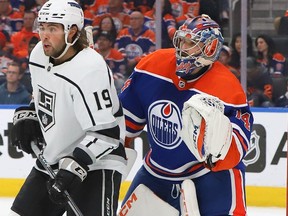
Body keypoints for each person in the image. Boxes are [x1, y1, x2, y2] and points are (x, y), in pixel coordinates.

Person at [119, 14, 253, 215]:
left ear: (209, 48)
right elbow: (125, 126)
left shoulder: (227, 88)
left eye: (190, 43)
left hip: (206, 175)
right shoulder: (152, 66)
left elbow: (237, 148)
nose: (182, 48)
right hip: (156, 171)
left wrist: (219, 148)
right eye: (181, 41)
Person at [9, 0, 127, 215]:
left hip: (97, 161)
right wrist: (33, 113)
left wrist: (76, 163)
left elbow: (107, 135)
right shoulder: (38, 55)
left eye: (52, 29)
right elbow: (44, 95)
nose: (44, 35)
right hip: (56, 154)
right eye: (42, 27)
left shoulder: (90, 68)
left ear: (72, 32)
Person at [115, 10, 156, 75]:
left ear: (142, 21)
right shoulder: (123, 32)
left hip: (143, 66)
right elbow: (117, 47)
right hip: (125, 64)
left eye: (136, 19)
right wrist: (125, 58)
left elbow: (151, 52)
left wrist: (136, 60)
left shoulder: (150, 34)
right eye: (131, 19)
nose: (133, 21)